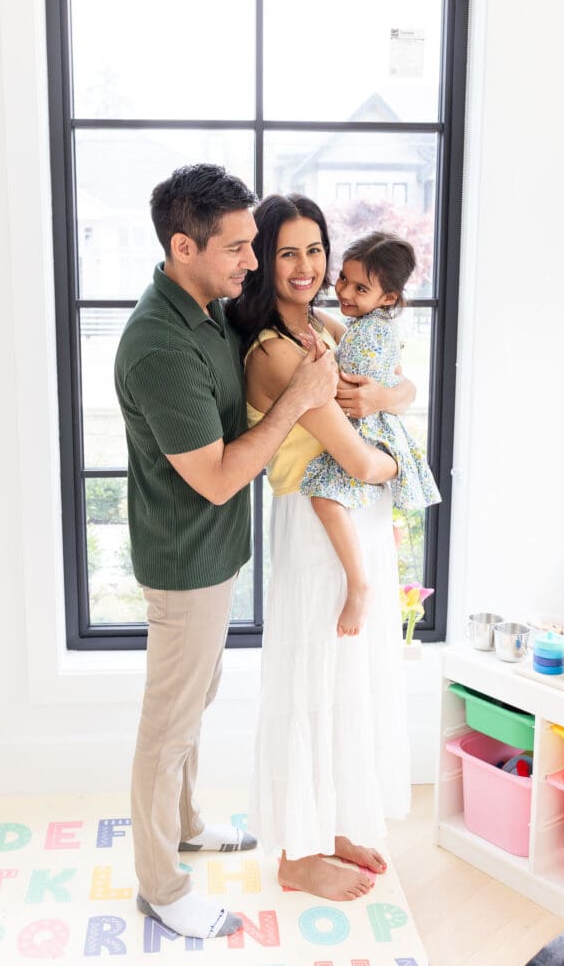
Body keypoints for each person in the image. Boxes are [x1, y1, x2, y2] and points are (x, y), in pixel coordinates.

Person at [114, 165, 339, 941]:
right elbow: (214, 479)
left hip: (213, 558)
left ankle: (184, 825)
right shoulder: (157, 344)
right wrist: (298, 401)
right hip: (185, 562)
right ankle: (161, 885)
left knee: (192, 705)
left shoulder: (207, 311)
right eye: (239, 247)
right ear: (183, 246)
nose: (252, 260)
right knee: (167, 725)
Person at [226, 194, 413, 902]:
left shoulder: (325, 328)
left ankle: (330, 824)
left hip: (351, 524)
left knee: (346, 683)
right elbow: (359, 463)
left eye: (314, 251)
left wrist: (386, 403)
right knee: (308, 683)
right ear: (263, 262)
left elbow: (401, 383)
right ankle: (294, 854)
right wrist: (405, 463)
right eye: (286, 253)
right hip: (315, 523)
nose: (305, 267)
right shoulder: (277, 349)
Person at [300, 231, 441, 637]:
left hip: (367, 432)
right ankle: (362, 581)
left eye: (360, 287)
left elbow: (344, 386)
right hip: (372, 427)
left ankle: (359, 585)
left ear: (388, 298)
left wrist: (320, 358)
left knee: (325, 498)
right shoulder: (365, 323)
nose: (344, 290)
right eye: (343, 278)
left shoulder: (366, 332)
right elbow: (400, 384)